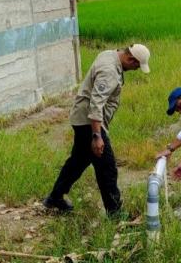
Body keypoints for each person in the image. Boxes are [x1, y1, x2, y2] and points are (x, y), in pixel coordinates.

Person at [43, 44, 151, 217]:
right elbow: (96, 104)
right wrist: (97, 136)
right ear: (131, 59)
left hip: (82, 119)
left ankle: (55, 197)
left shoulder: (109, 54)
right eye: (136, 66)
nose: (135, 69)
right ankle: (115, 212)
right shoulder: (109, 71)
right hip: (89, 124)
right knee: (107, 167)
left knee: (77, 162)